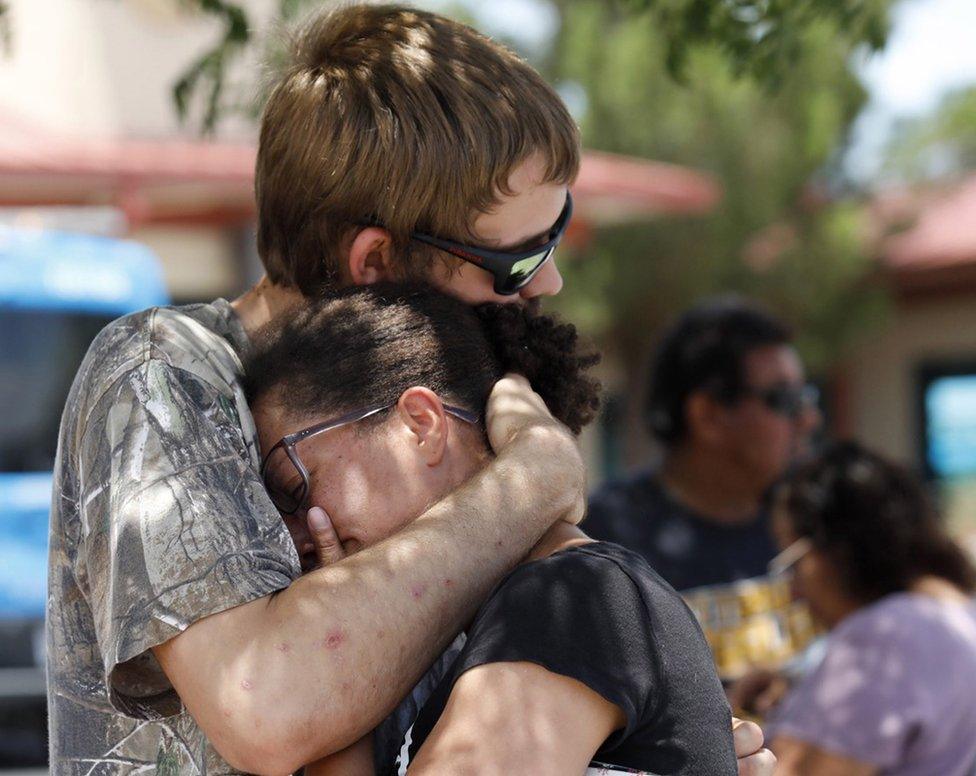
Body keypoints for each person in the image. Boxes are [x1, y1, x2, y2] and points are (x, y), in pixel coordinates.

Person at [46, 5, 773, 774]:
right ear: (375, 263)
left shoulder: (435, 442)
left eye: (557, 234)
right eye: (517, 261)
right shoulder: (165, 374)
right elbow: (266, 706)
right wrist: (535, 479)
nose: (548, 283)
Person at [244, 283, 741, 776]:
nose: (296, 536)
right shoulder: (505, 622)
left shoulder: (566, 599)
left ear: (421, 424)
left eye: (295, 487)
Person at [585, 296, 822, 678]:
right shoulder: (606, 543)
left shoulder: (814, 522)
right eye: (785, 400)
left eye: (807, 397)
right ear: (708, 415)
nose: (809, 419)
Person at [763, 441, 976, 776]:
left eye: (792, 563)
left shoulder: (884, 636)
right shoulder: (957, 610)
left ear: (838, 548)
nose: (794, 591)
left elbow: (802, 770)